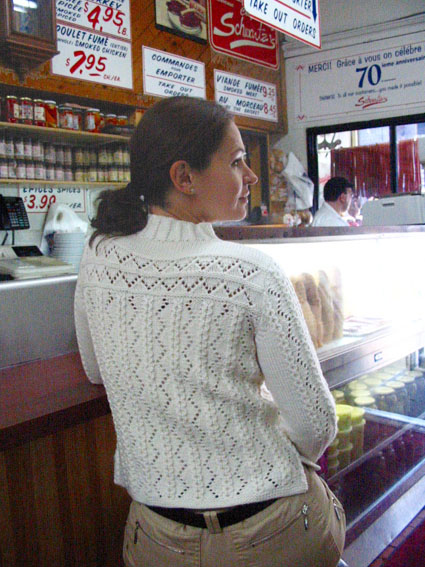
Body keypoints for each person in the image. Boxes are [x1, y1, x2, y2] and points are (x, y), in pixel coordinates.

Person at [74, 96, 345, 567]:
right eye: (237, 161)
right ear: (184, 177)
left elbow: (96, 370)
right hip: (273, 532)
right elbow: (316, 425)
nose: (252, 176)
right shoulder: (253, 272)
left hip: (156, 538)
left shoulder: (98, 256)